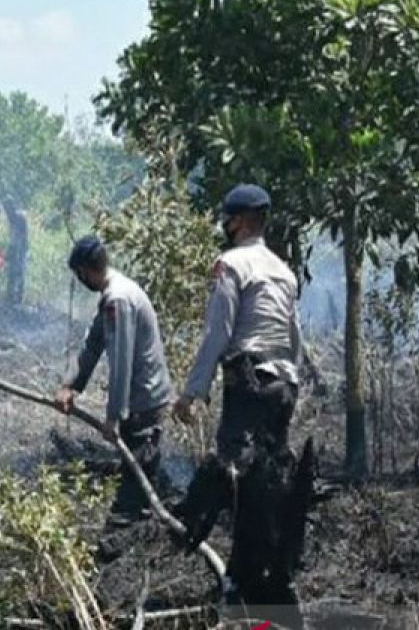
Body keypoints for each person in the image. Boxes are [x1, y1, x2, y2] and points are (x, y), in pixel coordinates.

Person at [172, 183, 304, 624]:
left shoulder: (230, 265)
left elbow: (218, 334)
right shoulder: (284, 271)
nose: (225, 227)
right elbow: (295, 339)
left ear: (242, 221)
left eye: (228, 219)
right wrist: (293, 387)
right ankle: (256, 578)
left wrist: (193, 392)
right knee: (266, 486)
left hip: (247, 383)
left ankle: (240, 584)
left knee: (233, 480)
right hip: (282, 385)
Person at [56, 236, 172, 525]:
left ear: (85, 270)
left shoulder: (118, 300)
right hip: (142, 399)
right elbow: (94, 345)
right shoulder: (114, 291)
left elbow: (122, 361)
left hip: (143, 402)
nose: (80, 281)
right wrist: (70, 386)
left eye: (79, 275)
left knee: (133, 493)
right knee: (136, 480)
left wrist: (114, 416)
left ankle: (125, 541)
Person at [2, 198, 30, 305]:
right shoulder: (11, 218)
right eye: (5, 209)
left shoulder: (20, 217)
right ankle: (9, 297)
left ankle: (18, 298)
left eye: (8, 208)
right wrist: (9, 251)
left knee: (20, 272)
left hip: (21, 249)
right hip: (14, 248)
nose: (6, 211)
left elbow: (22, 236)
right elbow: (12, 237)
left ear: (13, 206)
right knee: (11, 273)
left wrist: (17, 251)